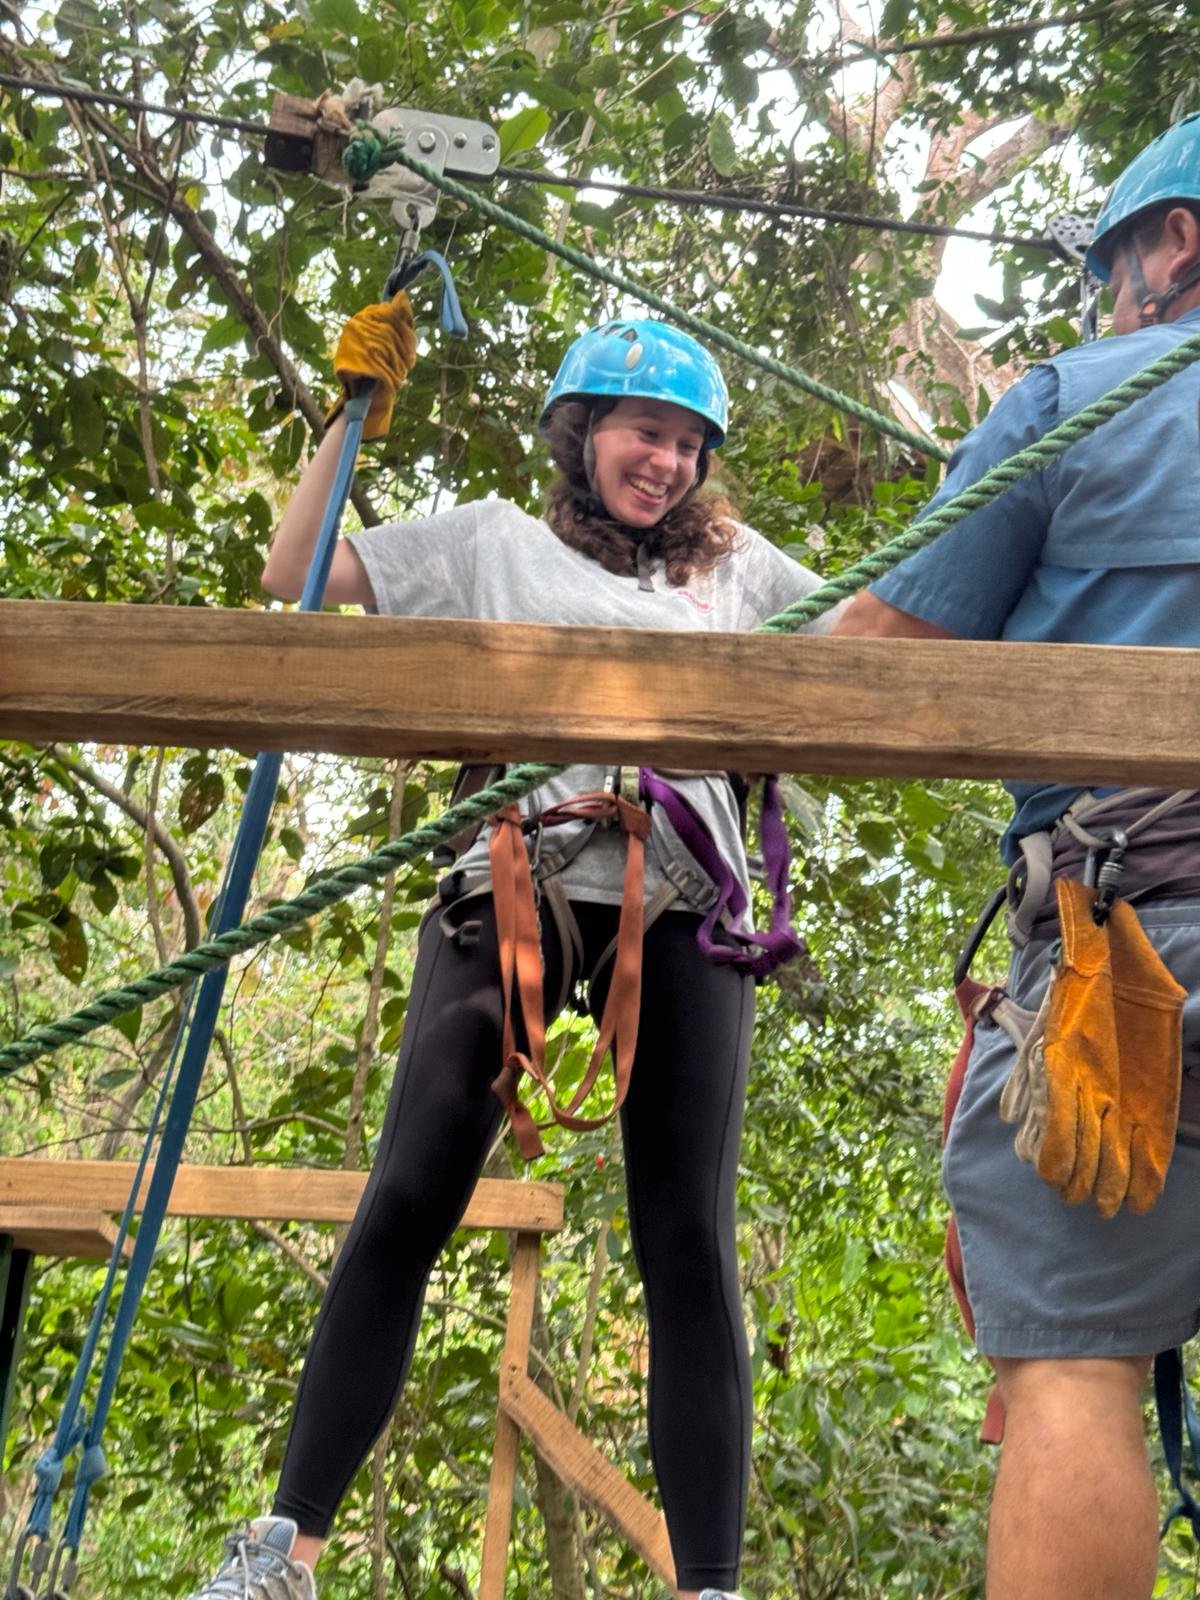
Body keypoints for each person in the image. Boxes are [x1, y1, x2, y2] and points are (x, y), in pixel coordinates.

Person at [185, 310, 832, 1600]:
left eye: (690, 444)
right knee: (412, 1191)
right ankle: (283, 1553)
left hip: (684, 896)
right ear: (582, 432)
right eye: (646, 432)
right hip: (518, 878)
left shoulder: (739, 573)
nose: (668, 463)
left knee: (687, 1238)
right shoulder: (492, 542)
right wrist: (347, 412)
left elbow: (865, 654)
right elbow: (294, 570)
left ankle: (711, 1584)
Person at [832, 115, 1200, 1600]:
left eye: (1118, 266)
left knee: (1074, 1365)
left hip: (1135, 948)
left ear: (1171, 244)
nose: (1114, 296)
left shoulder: (1079, 400)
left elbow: (861, 672)